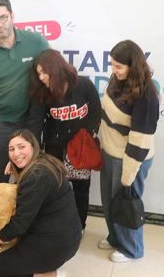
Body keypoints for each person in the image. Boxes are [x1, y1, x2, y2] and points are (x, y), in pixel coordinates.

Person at [0, 129, 81, 277]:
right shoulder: (46, 162)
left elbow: (20, 223)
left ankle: (49, 273)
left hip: (52, 246)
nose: (16, 153)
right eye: (11, 149)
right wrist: (16, 163)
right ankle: (44, 270)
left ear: (33, 146)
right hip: (67, 238)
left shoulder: (36, 176)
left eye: (21, 147)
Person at [0, 0, 50, 187]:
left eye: (3, 17)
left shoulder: (36, 41)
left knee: (31, 176)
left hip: (30, 121)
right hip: (0, 122)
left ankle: (26, 215)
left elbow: (50, 69)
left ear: (12, 16)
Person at [27, 49, 101, 233]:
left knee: (81, 189)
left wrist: (88, 136)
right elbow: (35, 122)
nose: (42, 77)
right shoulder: (41, 93)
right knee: (55, 188)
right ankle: (56, 226)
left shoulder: (83, 84)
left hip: (80, 148)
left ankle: (79, 226)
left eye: (45, 72)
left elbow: (96, 111)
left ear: (57, 68)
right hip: (55, 149)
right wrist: (32, 151)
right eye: (39, 73)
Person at [98, 40, 159, 262]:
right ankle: (115, 238)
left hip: (130, 158)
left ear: (133, 66)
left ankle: (131, 249)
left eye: (118, 67)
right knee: (110, 201)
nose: (113, 71)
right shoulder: (118, 80)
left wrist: (128, 175)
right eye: (112, 65)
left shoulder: (147, 95)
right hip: (110, 152)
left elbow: (141, 139)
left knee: (126, 203)